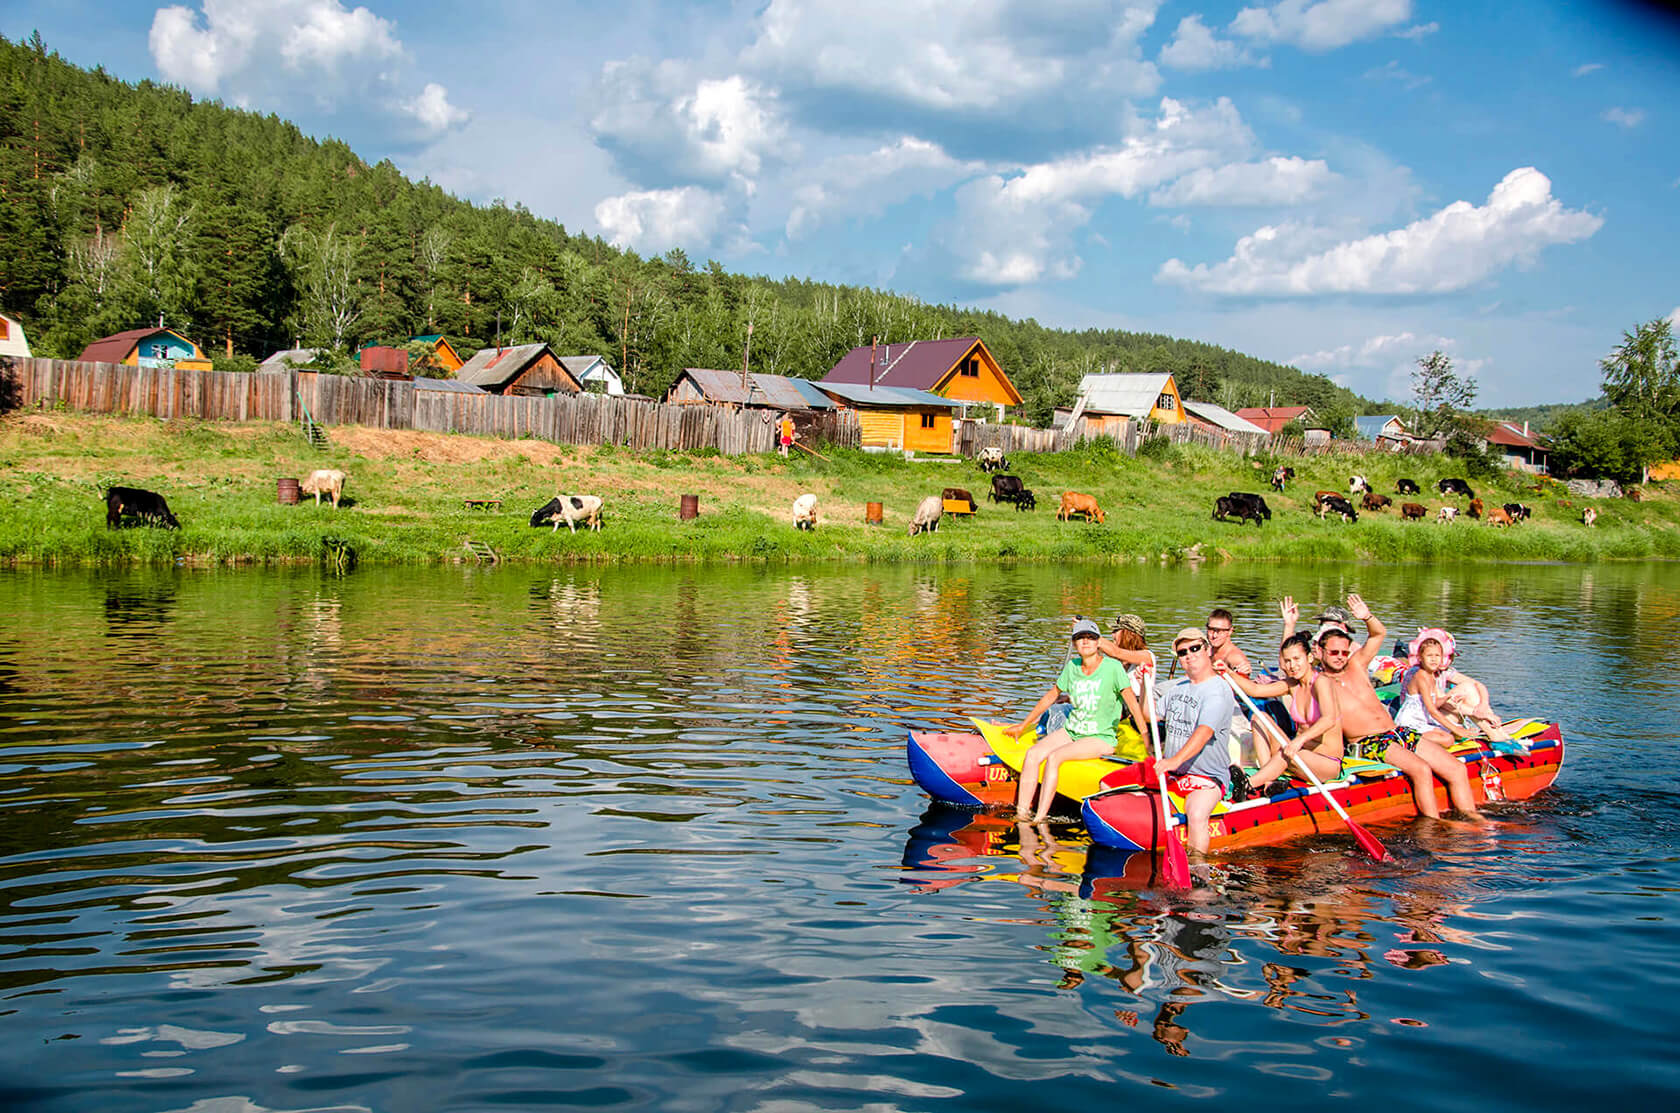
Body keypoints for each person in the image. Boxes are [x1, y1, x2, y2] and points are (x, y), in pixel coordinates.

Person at [1316, 594, 1481, 819]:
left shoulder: (1356, 665)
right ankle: (1435, 826)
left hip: (1396, 732)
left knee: (1457, 769)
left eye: (1344, 652)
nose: (1340, 657)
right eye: (1333, 652)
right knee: (1421, 769)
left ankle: (1473, 819)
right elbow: (1289, 667)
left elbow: (1378, 633)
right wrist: (1289, 627)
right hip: (1368, 742)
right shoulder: (1320, 682)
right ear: (1319, 652)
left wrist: (1367, 616)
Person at [1004, 618, 1145, 822]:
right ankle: (1022, 813)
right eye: (1080, 638)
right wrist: (1023, 725)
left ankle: (1040, 817)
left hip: (1100, 736)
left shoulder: (1113, 668)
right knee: (1033, 754)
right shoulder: (1072, 667)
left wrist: (1147, 737)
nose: (1085, 642)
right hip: (1073, 730)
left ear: (1098, 642)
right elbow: (1051, 695)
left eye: (1090, 637)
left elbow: (1132, 704)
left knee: (1054, 758)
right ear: (1074, 643)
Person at [1144, 628, 1236, 854]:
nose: (1189, 655)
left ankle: (1199, 871)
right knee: (1111, 782)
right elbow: (1148, 715)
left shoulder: (1218, 691)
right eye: (1182, 652)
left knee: (1196, 814)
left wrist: (1173, 760)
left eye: (1195, 648)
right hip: (1175, 772)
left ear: (1207, 650)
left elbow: (1204, 732)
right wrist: (1146, 685)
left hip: (1207, 775)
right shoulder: (1178, 688)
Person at [1229, 632, 1343, 794]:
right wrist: (1227, 673)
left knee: (1291, 752)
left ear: (1309, 658)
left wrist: (1299, 741)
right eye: (1288, 661)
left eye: (1297, 659)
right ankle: (1269, 782)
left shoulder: (1321, 682)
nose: (1292, 666)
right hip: (1296, 754)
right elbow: (1255, 690)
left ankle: (1248, 785)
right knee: (1259, 718)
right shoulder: (1292, 684)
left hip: (1326, 763)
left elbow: (1329, 719)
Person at [1395, 629, 1511, 743]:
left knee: (1450, 735)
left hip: (1424, 718)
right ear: (1420, 657)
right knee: (1448, 739)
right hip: (1413, 721)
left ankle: (1496, 732)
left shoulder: (1431, 674)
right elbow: (1432, 710)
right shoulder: (1420, 675)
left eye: (1438, 656)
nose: (1434, 659)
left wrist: (1448, 696)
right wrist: (1457, 729)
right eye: (1429, 655)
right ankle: (1405, 740)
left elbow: (1435, 702)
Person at [1205, 608, 1252, 676]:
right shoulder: (1206, 651)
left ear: (1230, 631)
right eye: (1211, 630)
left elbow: (1245, 685)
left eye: (1220, 631)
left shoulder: (1235, 658)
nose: (1214, 635)